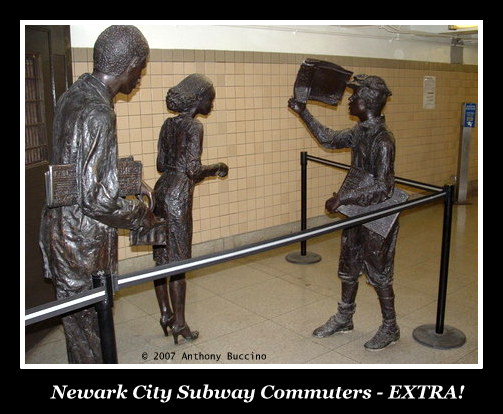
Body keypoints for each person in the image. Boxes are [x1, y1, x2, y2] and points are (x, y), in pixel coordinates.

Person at [39, 25, 162, 363]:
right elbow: (97, 200)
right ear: (131, 63)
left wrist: (129, 181)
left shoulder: (75, 94)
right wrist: (141, 214)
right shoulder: (98, 112)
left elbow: (79, 165)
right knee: (91, 333)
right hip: (83, 243)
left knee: (80, 331)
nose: (141, 76)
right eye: (142, 67)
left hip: (63, 230)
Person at [288, 74, 401, 350]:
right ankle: (344, 316)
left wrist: (343, 197)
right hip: (356, 211)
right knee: (348, 266)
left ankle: (390, 327)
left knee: (379, 272)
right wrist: (304, 113)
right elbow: (329, 139)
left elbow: (384, 186)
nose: (349, 100)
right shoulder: (361, 131)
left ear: (369, 102)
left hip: (378, 214)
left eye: (355, 96)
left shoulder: (383, 140)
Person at [152, 74, 228, 345]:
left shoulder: (167, 124)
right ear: (198, 100)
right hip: (179, 195)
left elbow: (161, 164)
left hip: (160, 190)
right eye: (211, 98)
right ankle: (180, 323)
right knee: (180, 263)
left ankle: (165, 313)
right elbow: (193, 170)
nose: (212, 104)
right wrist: (217, 166)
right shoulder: (194, 127)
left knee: (161, 259)